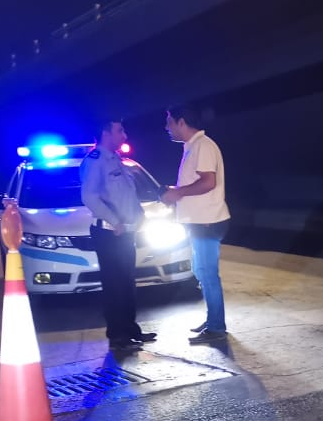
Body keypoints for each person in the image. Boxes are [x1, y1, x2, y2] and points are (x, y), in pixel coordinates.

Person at [80, 118, 155, 353]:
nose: (124, 135)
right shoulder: (95, 161)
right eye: (119, 130)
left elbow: (127, 195)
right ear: (105, 133)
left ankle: (131, 330)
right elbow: (89, 196)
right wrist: (115, 221)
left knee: (127, 282)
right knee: (114, 284)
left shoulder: (117, 160)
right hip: (108, 232)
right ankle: (117, 336)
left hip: (124, 233)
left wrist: (139, 214)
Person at [162, 105, 231, 344]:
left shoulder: (203, 146)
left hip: (207, 222)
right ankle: (213, 318)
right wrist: (176, 192)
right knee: (200, 270)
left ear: (182, 122)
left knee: (208, 274)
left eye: (169, 122)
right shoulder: (193, 146)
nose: (166, 127)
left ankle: (216, 326)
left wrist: (178, 193)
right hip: (199, 221)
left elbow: (208, 182)